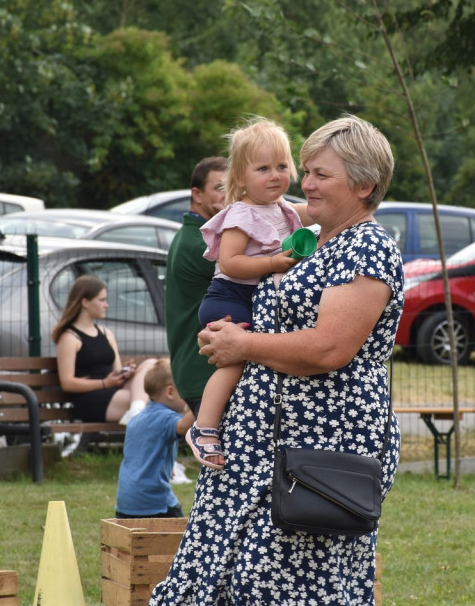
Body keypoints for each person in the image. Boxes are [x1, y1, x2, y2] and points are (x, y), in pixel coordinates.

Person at [150, 115, 404, 605]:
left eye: (320, 175)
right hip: (256, 440)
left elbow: (331, 347)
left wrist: (244, 347)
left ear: (364, 184)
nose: (304, 183)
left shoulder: (367, 247)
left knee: (284, 583)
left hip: (321, 445)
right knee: (211, 568)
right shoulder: (311, 242)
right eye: (304, 170)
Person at [184, 117, 311, 470]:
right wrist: (272, 263)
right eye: (263, 168)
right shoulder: (241, 214)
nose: (275, 175)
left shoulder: (282, 208)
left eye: (282, 166)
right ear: (239, 177)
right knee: (237, 360)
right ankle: (203, 427)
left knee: (257, 362)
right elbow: (231, 262)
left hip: (252, 298)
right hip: (228, 296)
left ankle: (231, 424)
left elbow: (318, 213)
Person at [165, 156, 228, 419]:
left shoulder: (194, 235)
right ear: (196, 194)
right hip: (204, 371)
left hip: (201, 370)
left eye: (233, 187)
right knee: (223, 459)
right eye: (219, 188)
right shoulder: (200, 244)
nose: (228, 196)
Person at [52, 275, 153, 426]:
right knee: (155, 402)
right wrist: (105, 383)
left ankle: (135, 411)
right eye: (102, 300)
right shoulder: (69, 338)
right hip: (91, 398)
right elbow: (67, 383)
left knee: (151, 364)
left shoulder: (107, 334)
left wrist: (125, 373)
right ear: (85, 302)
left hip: (113, 389)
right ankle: (135, 411)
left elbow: (116, 370)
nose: (106, 305)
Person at [115, 359, 195, 518]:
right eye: (184, 389)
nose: (186, 394)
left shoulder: (137, 419)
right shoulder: (165, 418)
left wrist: (163, 467)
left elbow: (143, 452)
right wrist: (202, 403)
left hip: (126, 501)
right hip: (152, 501)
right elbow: (182, 426)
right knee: (179, 539)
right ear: (170, 392)